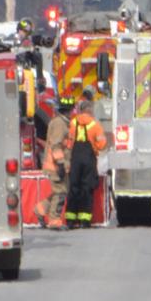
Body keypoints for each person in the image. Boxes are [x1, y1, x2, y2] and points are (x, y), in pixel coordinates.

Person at [65, 92, 109, 228]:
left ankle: (71, 219)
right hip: (89, 160)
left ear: (80, 110)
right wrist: (96, 147)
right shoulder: (95, 125)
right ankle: (85, 220)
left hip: (75, 159)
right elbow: (102, 144)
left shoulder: (72, 123)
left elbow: (68, 143)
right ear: (89, 110)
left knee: (73, 187)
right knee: (87, 188)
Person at [42, 95, 74, 228]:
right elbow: (56, 145)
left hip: (55, 164)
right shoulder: (60, 124)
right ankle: (54, 221)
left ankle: (40, 210)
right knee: (61, 192)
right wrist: (60, 163)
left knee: (57, 191)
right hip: (55, 165)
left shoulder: (61, 122)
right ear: (68, 110)